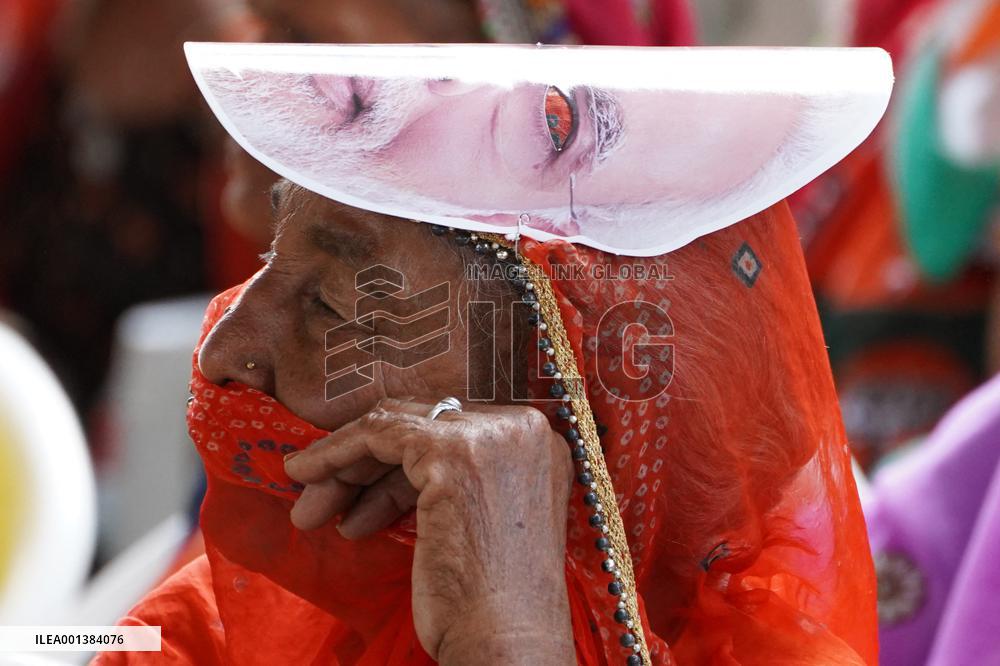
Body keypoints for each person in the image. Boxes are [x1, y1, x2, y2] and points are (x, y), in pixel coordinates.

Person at [96, 43, 889, 664]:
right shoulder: (206, 634)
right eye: (270, 256)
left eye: (333, 304)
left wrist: (507, 644)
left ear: (581, 414)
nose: (224, 348)